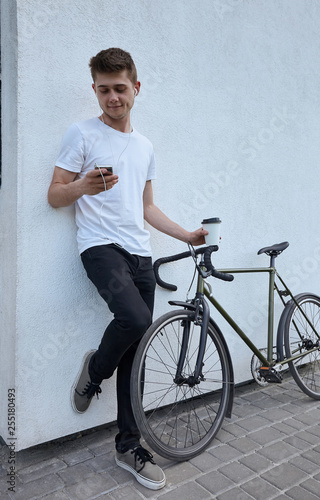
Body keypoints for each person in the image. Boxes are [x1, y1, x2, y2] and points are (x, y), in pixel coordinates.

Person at [48, 48, 207, 491]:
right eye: (104, 90)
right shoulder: (81, 134)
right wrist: (82, 185)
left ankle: (127, 446)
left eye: (120, 89)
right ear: (94, 89)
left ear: (136, 88)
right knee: (136, 319)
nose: (112, 98)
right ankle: (95, 371)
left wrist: (185, 236)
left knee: (135, 353)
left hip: (140, 255)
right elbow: (55, 195)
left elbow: (147, 207)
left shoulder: (145, 146)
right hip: (100, 248)